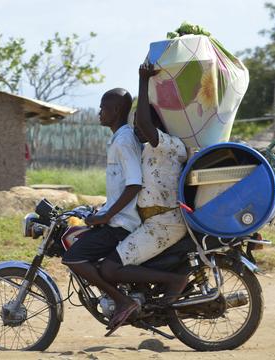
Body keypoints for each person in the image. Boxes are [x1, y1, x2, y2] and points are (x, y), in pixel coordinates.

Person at [99, 63, 189, 334]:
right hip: (150, 221)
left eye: (140, 122)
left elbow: (147, 127)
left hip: (164, 222)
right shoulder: (149, 147)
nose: (136, 127)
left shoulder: (169, 145)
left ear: (153, 125)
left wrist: (143, 81)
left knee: (111, 268)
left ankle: (174, 281)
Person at [61, 88, 143, 334]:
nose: (99, 112)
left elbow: (134, 183)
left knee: (73, 257)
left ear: (116, 110)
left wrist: (107, 216)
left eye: (103, 107)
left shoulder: (124, 141)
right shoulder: (119, 138)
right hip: (115, 218)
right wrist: (100, 210)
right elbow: (121, 187)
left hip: (121, 224)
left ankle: (122, 301)